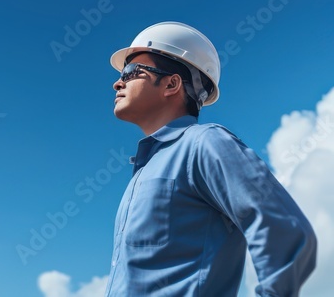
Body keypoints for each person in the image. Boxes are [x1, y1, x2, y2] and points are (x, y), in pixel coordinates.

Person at [104, 22, 317, 296]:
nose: (117, 82)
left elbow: (285, 232)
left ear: (171, 84)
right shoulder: (143, 171)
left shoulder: (205, 144)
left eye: (132, 72)